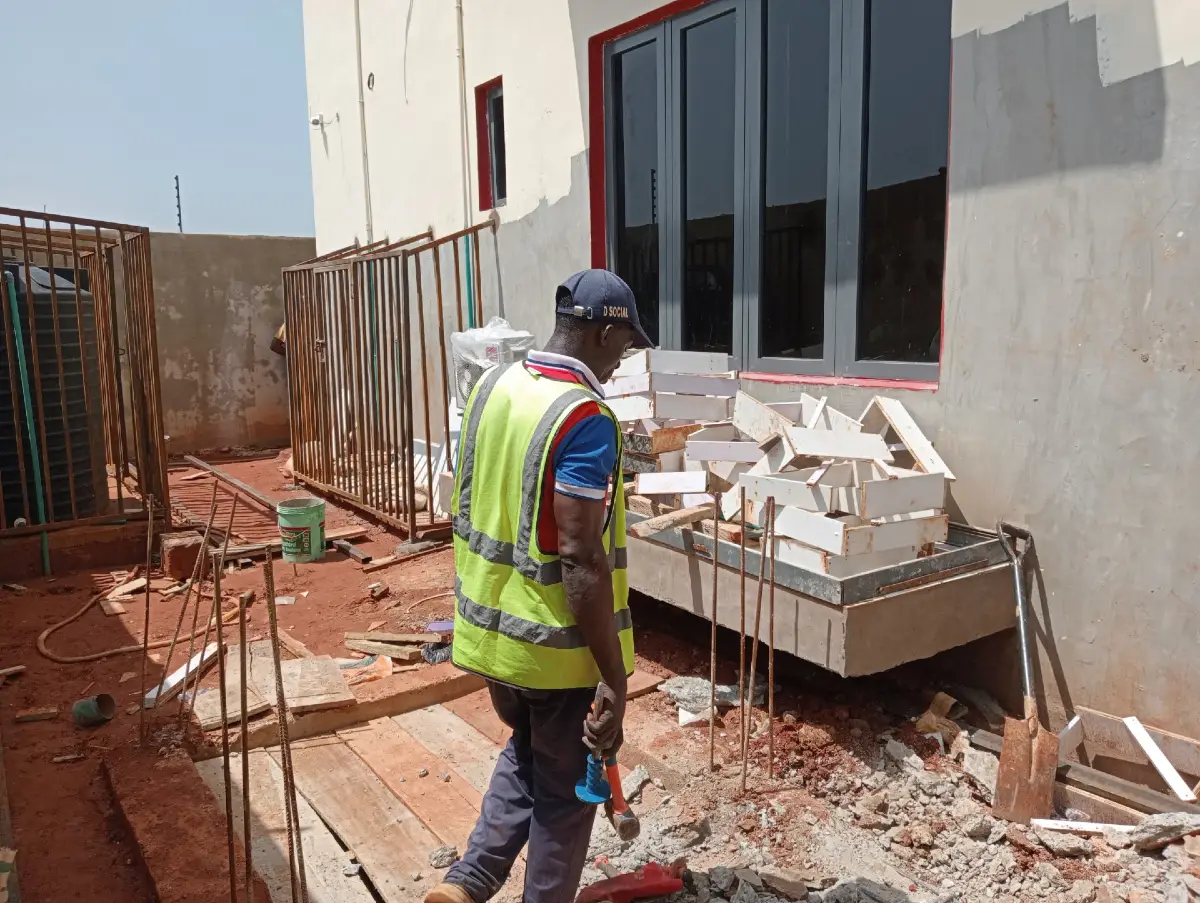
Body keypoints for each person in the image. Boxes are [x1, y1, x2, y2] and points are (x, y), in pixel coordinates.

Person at [426, 269, 654, 903]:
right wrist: (613, 674)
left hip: (488, 635)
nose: (621, 361)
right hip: (555, 652)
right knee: (566, 792)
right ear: (605, 331)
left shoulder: (494, 387)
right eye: (625, 344)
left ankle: (467, 885)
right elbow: (581, 556)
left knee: (527, 754)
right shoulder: (583, 416)